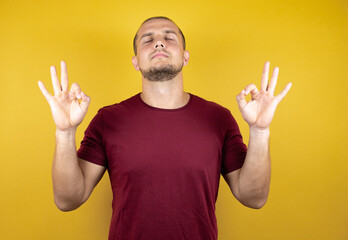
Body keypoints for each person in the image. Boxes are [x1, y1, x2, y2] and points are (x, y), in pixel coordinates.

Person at [38, 16, 292, 240]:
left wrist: (259, 131)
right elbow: (67, 199)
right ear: (136, 61)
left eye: (169, 37)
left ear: (185, 56)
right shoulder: (108, 120)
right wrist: (65, 133)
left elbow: (254, 198)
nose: (159, 43)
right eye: (147, 39)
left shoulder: (219, 118)